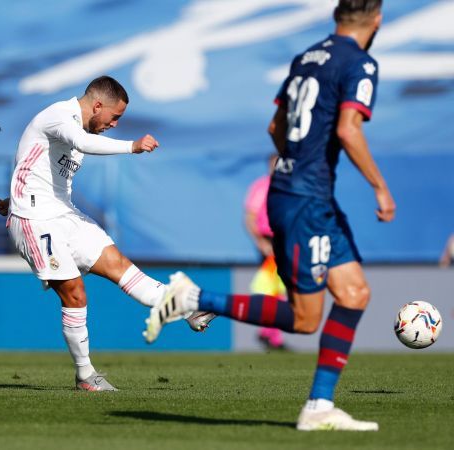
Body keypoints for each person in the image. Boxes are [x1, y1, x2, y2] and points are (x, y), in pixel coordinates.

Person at [144, 0, 395, 431]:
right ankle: (194, 300)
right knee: (304, 319)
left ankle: (319, 407)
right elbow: (348, 128)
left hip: (303, 194)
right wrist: (379, 186)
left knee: (354, 294)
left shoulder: (306, 58)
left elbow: (275, 128)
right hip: (306, 200)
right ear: (377, 20)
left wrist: (295, 170)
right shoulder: (360, 63)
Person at [0, 75, 212, 391]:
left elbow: (36, 165)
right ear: (97, 105)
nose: (114, 124)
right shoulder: (60, 116)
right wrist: (132, 146)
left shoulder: (78, 128)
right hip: (35, 220)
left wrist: (12, 196)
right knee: (75, 292)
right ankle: (86, 375)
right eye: (114, 116)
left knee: (120, 267)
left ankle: (187, 309)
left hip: (64, 214)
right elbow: (81, 144)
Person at [244, 153, 289, 350]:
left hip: (286, 242)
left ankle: (269, 334)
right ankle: (271, 336)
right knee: (269, 289)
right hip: (269, 243)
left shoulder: (290, 187)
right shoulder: (262, 187)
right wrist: (261, 242)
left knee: (281, 289)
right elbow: (250, 218)